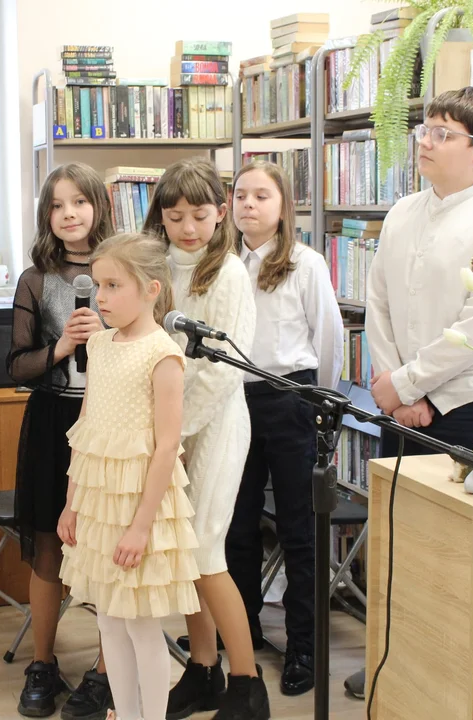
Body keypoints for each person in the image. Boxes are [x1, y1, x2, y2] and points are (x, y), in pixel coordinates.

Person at [350, 86, 473, 699]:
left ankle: (442, 674)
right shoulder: (403, 212)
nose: (425, 142)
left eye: (442, 133)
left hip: (466, 412)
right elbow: (377, 303)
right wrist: (392, 384)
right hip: (399, 403)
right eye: (424, 130)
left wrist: (413, 387)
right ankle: (392, 658)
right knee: (397, 537)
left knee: (450, 551)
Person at [143, 157, 269, 720]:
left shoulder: (229, 273)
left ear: (220, 213)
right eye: (175, 217)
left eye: (198, 215)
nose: (188, 228)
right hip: (168, 429)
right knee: (182, 553)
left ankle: (247, 683)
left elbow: (223, 371)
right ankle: (203, 668)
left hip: (214, 423)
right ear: (161, 217)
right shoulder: (155, 266)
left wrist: (171, 431)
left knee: (205, 551)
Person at [57, 232, 200, 720]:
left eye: (113, 286)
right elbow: (86, 432)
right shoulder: (99, 345)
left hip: (142, 505)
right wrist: (72, 503)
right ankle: (126, 712)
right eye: (98, 285)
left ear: (151, 289)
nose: (100, 297)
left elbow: (167, 448)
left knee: (140, 625)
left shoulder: (164, 354)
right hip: (100, 504)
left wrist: (141, 527)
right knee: (110, 623)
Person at [227, 160, 344, 697]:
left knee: (299, 530)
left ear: (283, 206)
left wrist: (318, 402)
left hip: (292, 399)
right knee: (237, 526)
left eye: (261, 196)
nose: (249, 204)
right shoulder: (224, 263)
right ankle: (242, 631)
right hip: (235, 400)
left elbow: (329, 340)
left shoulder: (305, 263)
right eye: (240, 195)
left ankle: (304, 645)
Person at [7, 162, 114, 720]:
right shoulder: (35, 279)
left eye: (79, 201)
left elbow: (147, 345)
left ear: (99, 205)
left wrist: (105, 339)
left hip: (112, 422)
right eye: (56, 205)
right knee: (48, 546)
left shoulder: (123, 269)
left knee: (109, 551)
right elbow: (16, 365)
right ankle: (42, 663)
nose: (68, 213)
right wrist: (62, 348)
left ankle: (106, 671)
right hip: (53, 421)